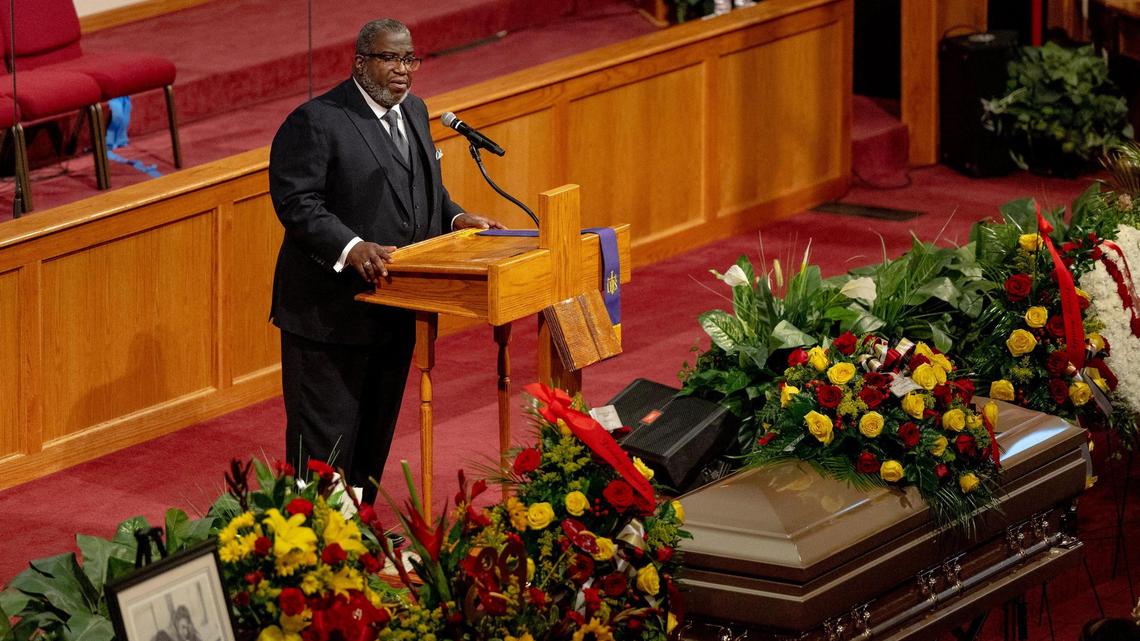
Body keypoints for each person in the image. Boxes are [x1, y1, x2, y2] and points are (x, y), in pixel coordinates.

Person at [268, 18, 503, 503]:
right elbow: (298, 203)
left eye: (409, 59)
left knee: (375, 426)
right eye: (390, 58)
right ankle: (320, 541)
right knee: (326, 434)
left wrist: (456, 219)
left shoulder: (415, 111)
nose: (403, 69)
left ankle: (358, 523)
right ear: (361, 63)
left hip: (397, 305)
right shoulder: (318, 120)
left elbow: (425, 192)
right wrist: (352, 247)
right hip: (330, 314)